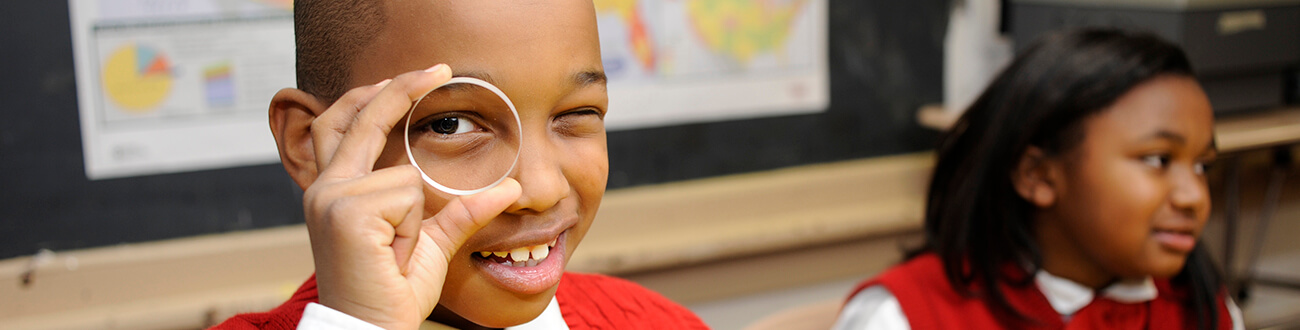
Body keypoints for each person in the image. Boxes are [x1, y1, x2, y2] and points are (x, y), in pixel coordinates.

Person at [211, 0, 708, 329]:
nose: (539, 188)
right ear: (307, 144)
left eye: (576, 113)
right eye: (451, 124)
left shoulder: (655, 321)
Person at [832, 28, 1241, 329]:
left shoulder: (1205, 307)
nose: (1194, 196)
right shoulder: (906, 316)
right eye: (1156, 159)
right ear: (1038, 176)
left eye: (1203, 165)